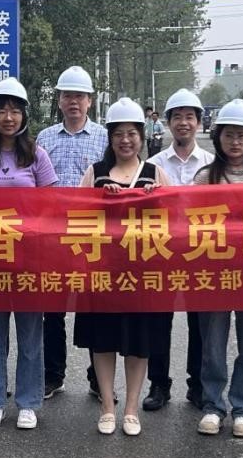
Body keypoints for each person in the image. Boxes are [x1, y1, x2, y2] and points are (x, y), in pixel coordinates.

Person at [0, 78, 58, 430]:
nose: (8, 117)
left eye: (15, 110)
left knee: (30, 332)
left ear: (24, 116)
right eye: (1, 110)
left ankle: (28, 401)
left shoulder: (37, 155)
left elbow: (51, 206)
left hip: (29, 258)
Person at [74, 97, 171, 437]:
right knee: (102, 341)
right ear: (110, 138)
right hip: (102, 273)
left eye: (132, 134)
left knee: (138, 343)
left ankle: (131, 408)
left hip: (141, 275)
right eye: (118, 134)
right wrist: (101, 199)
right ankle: (107, 405)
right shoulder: (95, 173)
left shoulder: (155, 174)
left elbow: (174, 223)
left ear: (142, 136)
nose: (125, 140)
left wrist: (154, 198)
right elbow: (76, 219)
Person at [192, 99, 243, 439]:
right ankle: (213, 406)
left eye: (242, 135)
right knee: (212, 346)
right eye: (229, 135)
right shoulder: (205, 177)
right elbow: (190, 225)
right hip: (214, 274)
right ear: (218, 138)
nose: (235, 141)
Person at [35, 65, 108, 400]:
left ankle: (97, 378)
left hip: (92, 234)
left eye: (80, 96)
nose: (74, 102)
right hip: (52, 235)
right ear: (60, 100)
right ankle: (53, 375)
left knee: (94, 307)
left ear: (90, 101)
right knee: (52, 309)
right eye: (68, 96)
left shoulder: (105, 138)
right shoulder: (45, 138)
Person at [143, 88, 215, 412]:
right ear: (168, 122)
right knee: (159, 321)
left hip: (201, 254)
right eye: (177, 117)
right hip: (162, 253)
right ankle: (159, 384)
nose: (183, 123)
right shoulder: (152, 165)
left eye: (189, 117)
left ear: (198, 122)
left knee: (201, 323)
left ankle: (197, 385)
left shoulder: (212, 165)